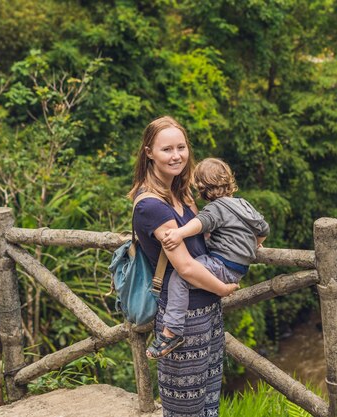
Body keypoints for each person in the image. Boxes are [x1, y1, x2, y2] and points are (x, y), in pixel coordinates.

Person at [128, 116, 238, 417]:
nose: (176, 155)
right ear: (149, 152)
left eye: (181, 147)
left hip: (208, 312)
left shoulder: (182, 193)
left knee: (208, 402)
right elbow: (186, 268)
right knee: (184, 408)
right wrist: (224, 289)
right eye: (167, 149)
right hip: (181, 320)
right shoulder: (151, 205)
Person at [147, 158, 269, 359]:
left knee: (180, 278)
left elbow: (200, 223)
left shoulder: (216, 208)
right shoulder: (243, 204)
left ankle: (172, 333)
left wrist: (179, 234)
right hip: (238, 269)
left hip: (222, 266)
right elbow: (264, 228)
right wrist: (256, 243)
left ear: (201, 187)